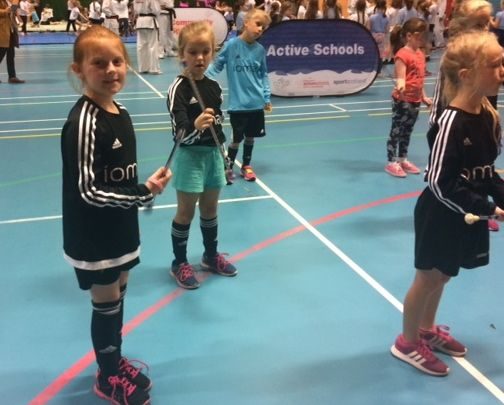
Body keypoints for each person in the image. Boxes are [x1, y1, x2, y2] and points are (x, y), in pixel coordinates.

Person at [61, 25, 171, 403]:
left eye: (117, 61)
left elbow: (119, 177)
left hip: (121, 227)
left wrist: (147, 186)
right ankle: (108, 377)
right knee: (106, 302)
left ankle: (114, 361)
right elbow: (88, 190)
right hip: (94, 235)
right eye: (99, 63)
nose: (111, 70)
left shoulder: (120, 112)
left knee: (119, 294)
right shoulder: (84, 121)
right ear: (78, 70)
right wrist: (141, 194)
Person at [390, 30, 504, 376]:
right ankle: (407, 342)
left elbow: (486, 172)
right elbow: (440, 182)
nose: (502, 70)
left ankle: (426, 329)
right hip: (440, 213)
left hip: (466, 213)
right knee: (428, 278)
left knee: (444, 275)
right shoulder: (451, 121)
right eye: (494, 65)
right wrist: (487, 208)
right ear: (467, 75)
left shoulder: (488, 114)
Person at [167, 21, 238, 290]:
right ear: (182, 54)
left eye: (205, 51)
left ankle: (210, 256)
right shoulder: (178, 88)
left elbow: (217, 125)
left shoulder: (214, 87)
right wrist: (195, 126)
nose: (199, 58)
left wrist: (224, 154)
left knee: (210, 210)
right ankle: (179, 262)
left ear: (213, 52)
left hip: (213, 157)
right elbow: (179, 133)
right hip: (190, 158)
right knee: (185, 212)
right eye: (193, 52)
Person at [428, 0, 500, 231]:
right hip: (457, 130)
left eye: (487, 23)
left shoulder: (487, 58)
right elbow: (440, 107)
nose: (485, 29)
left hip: (478, 120)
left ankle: (479, 205)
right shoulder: (455, 60)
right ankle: (473, 204)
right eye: (479, 25)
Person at [206, 8, 272, 183]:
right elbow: (217, 66)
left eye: (263, 27)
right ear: (246, 23)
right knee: (236, 138)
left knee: (251, 137)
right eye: (258, 24)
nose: (260, 29)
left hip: (256, 103)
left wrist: (266, 97)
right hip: (238, 105)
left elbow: (263, 75)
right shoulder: (232, 45)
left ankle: (246, 166)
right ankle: (228, 166)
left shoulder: (260, 50)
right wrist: (201, 78)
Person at [385, 18, 432, 178]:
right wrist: (401, 85)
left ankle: (402, 158)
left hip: (415, 100)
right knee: (396, 131)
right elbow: (401, 77)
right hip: (402, 100)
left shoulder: (420, 54)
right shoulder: (402, 55)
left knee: (407, 131)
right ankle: (391, 162)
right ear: (409, 36)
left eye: (423, 35)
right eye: (419, 36)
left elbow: (419, 79)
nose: (422, 39)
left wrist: (424, 96)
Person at [0, 0, 25, 84]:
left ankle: (12, 77)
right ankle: (12, 77)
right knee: (1, 53)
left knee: (11, 54)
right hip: (2, 30)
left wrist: (16, 13)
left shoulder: (8, 1)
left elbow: (12, 13)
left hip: (11, 30)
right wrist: (5, 11)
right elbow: (5, 11)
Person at [134, 0, 161, 74]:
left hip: (140, 21)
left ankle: (142, 68)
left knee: (141, 46)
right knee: (153, 46)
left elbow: (135, 10)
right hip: (150, 21)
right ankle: (154, 69)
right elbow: (156, 10)